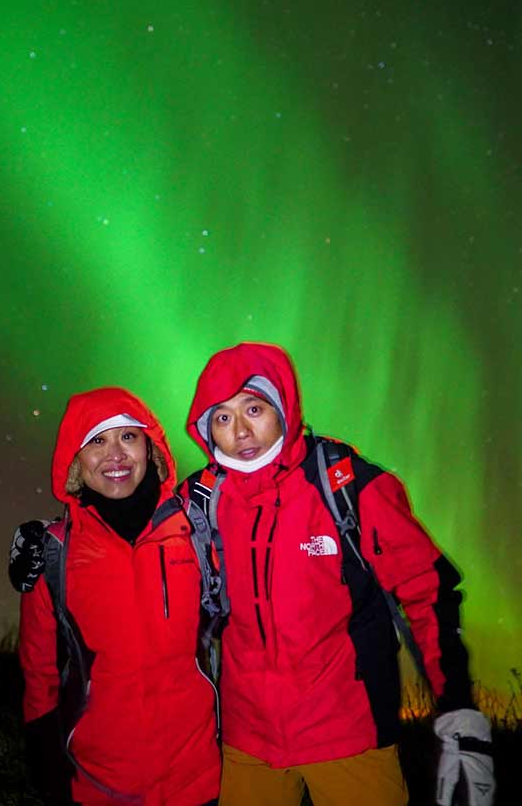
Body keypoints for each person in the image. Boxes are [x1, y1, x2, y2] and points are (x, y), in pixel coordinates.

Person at [184, 342, 492, 806]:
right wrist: (48, 544)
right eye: (223, 418)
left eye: (253, 408)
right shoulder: (202, 500)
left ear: (283, 406)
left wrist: (459, 709)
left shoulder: (347, 485)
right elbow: (131, 543)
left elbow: (427, 589)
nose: (241, 431)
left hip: (348, 734)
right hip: (248, 740)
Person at [17, 386, 221, 806]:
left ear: (151, 449)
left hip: (201, 780)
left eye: (128, 437)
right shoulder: (52, 554)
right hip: (99, 786)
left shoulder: (194, 532)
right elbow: (39, 672)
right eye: (97, 441)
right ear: (75, 460)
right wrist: (46, 762)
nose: (116, 455)